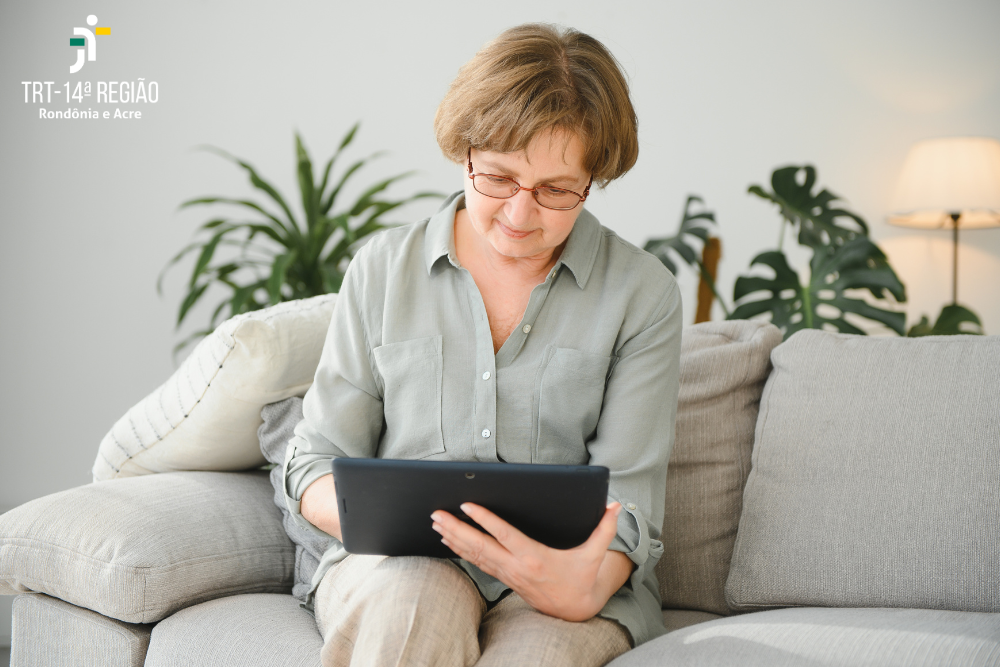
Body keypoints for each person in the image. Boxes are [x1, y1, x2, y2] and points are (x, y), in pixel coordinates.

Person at [281, 22, 682, 667]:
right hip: (402, 565)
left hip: (562, 575)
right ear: (463, 153)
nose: (520, 215)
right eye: (496, 178)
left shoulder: (642, 293)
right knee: (412, 605)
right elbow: (314, 463)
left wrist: (582, 584)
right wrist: (386, 522)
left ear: (593, 179)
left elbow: (629, 500)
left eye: (556, 190)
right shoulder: (383, 270)